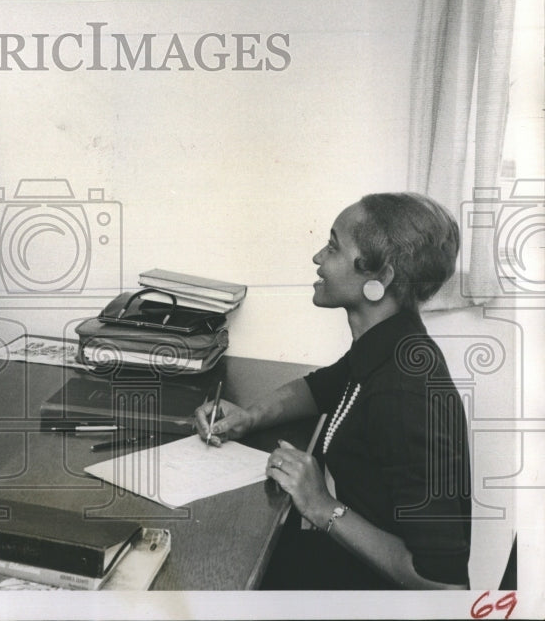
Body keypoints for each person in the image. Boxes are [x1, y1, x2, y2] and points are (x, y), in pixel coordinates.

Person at [195, 193, 471, 589]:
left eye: (333, 246)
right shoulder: (391, 343)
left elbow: (444, 583)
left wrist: (323, 506)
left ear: (380, 278)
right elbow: (320, 387)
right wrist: (249, 416)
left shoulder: (405, 393)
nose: (317, 258)